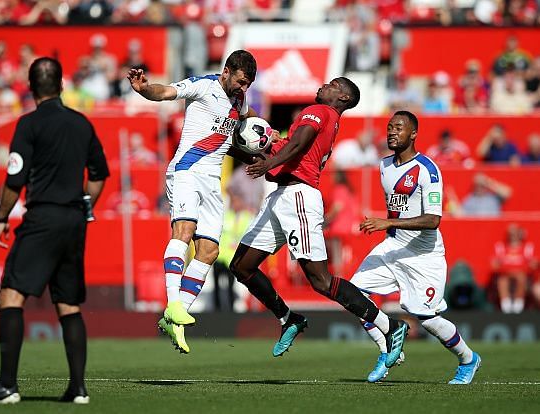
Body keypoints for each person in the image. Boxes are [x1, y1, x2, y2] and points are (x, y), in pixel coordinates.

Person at [229, 77, 409, 369]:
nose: (325, 85)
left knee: (321, 281)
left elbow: (296, 145)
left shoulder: (320, 112)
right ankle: (290, 318)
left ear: (343, 98)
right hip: (282, 196)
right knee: (241, 266)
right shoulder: (322, 119)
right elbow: (276, 152)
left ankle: (389, 325)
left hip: (299, 195)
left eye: (333, 84)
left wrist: (270, 163)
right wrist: (227, 145)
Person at [0, 57, 110, 404]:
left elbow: (15, 179)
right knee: (68, 304)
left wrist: (1, 216)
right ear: (61, 86)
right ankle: (78, 389)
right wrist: (86, 205)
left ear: (30, 88)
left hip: (42, 217)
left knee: (11, 294)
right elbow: (100, 175)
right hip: (74, 220)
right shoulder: (81, 123)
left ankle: (7, 385)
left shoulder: (28, 125)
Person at [127, 50, 261, 354]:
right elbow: (165, 92)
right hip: (187, 170)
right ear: (226, 72)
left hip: (213, 181)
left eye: (248, 84)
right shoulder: (204, 85)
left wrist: (265, 138)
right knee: (183, 232)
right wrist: (144, 88)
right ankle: (174, 302)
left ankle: (174, 320)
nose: (243, 88)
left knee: (210, 251)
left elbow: (240, 128)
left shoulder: (239, 102)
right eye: (240, 81)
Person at [349, 111, 481, 384]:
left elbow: (433, 220)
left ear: (414, 134)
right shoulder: (384, 165)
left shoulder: (428, 170)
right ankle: (388, 349)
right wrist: (389, 226)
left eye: (399, 128)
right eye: (389, 128)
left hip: (424, 255)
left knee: (428, 319)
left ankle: (468, 359)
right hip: (393, 247)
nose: (392, 132)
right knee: (352, 295)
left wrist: (386, 222)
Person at [491, 223, 537, 313]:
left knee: (521, 278)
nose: (512, 236)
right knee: (502, 280)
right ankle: (506, 308)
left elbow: (533, 264)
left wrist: (518, 270)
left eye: (514, 233)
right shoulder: (501, 247)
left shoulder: (527, 248)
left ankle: (517, 308)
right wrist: (508, 270)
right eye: (510, 233)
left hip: (522, 275)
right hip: (505, 275)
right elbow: (494, 264)